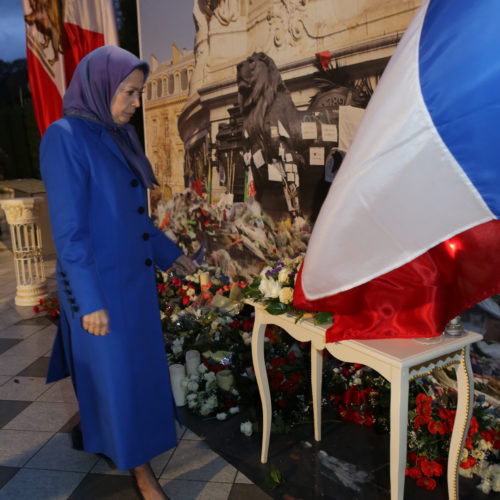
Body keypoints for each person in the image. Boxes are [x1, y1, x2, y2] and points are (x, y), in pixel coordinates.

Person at [40, 45, 196, 500]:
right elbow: (69, 234)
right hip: (98, 291)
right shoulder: (64, 136)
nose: (136, 103)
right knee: (117, 385)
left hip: (132, 287)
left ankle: (130, 449)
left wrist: (171, 255)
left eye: (139, 93)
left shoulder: (116, 135)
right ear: (102, 86)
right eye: (129, 92)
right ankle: (142, 475)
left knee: (136, 380)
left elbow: (132, 220)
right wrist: (89, 302)